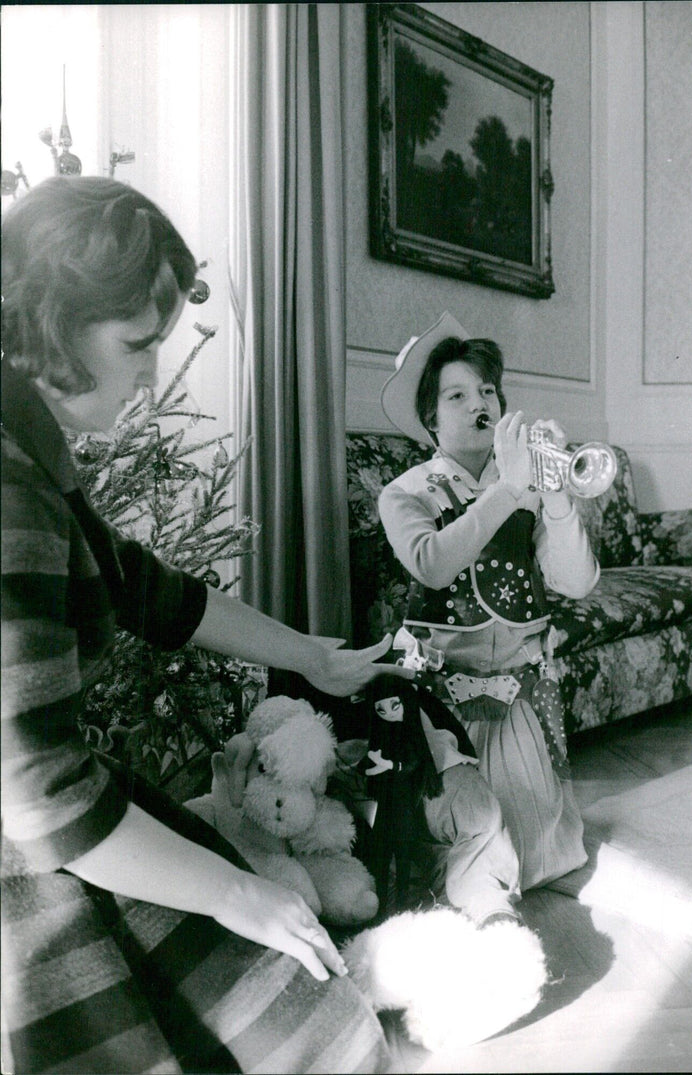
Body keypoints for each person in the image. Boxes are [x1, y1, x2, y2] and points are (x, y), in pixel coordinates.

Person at [1, 176, 411, 1075]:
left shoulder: (28, 437)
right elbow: (40, 796)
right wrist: (235, 892)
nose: (151, 373)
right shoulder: (8, 485)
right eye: (136, 344)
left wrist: (312, 657)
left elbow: (150, 592)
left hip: (54, 829)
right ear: (46, 320)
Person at [377, 311, 600, 893]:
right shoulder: (404, 491)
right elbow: (430, 561)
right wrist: (507, 489)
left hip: (519, 691)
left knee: (545, 853)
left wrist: (553, 497)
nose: (480, 402)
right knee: (471, 841)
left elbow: (576, 583)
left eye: (487, 390)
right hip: (443, 700)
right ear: (431, 418)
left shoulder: (523, 486)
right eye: (457, 394)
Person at [356, 674, 522, 927]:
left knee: (467, 830)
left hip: (428, 778)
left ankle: (478, 903)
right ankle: (476, 901)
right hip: (406, 787)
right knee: (471, 828)